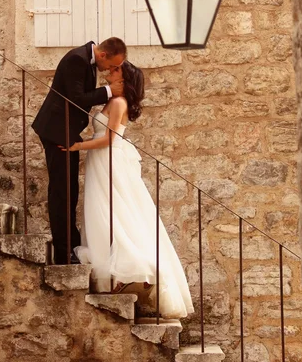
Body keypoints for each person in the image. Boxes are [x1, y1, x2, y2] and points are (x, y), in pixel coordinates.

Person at [65, 61, 194, 319]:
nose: (110, 73)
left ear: (125, 81)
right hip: (101, 159)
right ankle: (115, 277)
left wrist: (76, 147)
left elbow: (110, 139)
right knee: (104, 212)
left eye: (115, 72)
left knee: (111, 212)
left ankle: (136, 270)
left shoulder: (119, 103)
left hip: (108, 158)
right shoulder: (112, 100)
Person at [32, 38, 127, 265]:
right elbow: (75, 99)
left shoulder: (87, 59)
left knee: (70, 190)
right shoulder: (77, 58)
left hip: (66, 131)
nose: (111, 70)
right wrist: (108, 90)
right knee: (62, 191)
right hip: (57, 131)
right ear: (103, 55)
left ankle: (71, 244)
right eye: (112, 65)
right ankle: (64, 253)